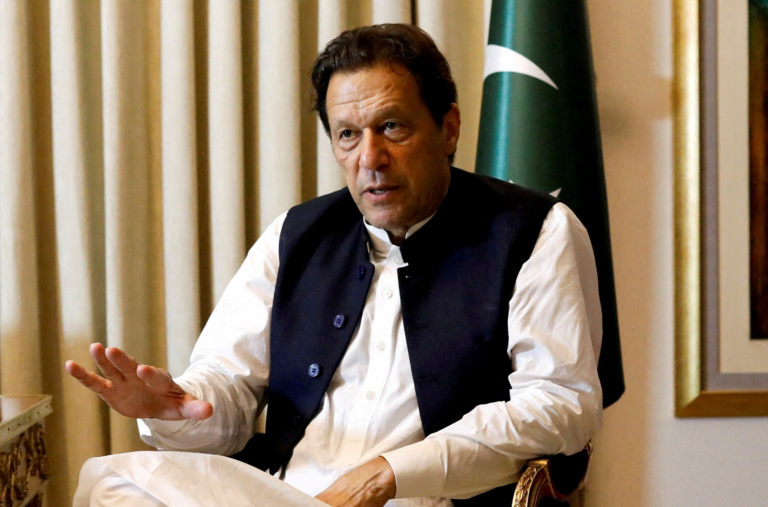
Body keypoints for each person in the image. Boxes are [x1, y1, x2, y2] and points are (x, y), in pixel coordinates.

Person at [67, 24, 603, 507]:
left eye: (391, 126)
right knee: (114, 481)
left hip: (423, 498)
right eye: (348, 134)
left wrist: (388, 473)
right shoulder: (296, 234)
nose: (370, 158)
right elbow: (227, 389)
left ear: (449, 128)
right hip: (287, 493)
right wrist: (174, 409)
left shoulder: (534, 230)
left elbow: (560, 404)